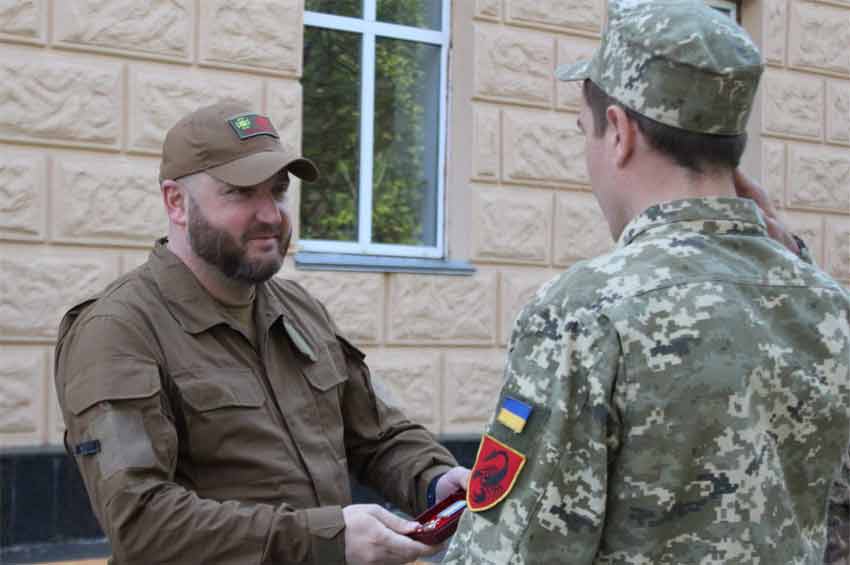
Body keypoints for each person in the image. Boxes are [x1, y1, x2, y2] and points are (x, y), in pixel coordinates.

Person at [443, 0, 850, 563]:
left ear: (619, 133)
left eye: (583, 129)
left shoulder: (582, 312)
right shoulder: (830, 308)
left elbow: (513, 552)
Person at [54, 102, 469, 565]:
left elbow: (376, 434)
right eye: (240, 193)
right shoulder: (118, 332)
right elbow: (141, 522)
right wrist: (325, 539)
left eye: (277, 191)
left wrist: (435, 479)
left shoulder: (299, 309)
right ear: (176, 202)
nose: (270, 214)